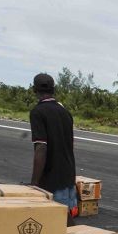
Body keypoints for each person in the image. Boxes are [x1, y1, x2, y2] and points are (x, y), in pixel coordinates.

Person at [29, 73, 77, 226]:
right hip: (68, 173)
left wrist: (35, 183)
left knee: (55, 222)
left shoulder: (38, 112)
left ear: (34, 89)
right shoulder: (65, 112)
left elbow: (41, 147)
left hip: (52, 178)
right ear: (54, 89)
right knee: (66, 216)